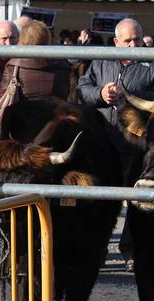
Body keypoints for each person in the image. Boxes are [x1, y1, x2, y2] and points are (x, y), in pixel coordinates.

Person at [77, 18, 154, 272]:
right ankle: (98, 251)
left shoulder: (150, 62)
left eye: (137, 39)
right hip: (104, 143)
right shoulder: (101, 60)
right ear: (115, 42)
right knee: (100, 200)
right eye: (128, 40)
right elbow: (82, 87)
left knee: (137, 201)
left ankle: (132, 251)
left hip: (140, 146)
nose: (133, 45)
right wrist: (100, 94)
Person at [0, 20, 70, 102]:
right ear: (48, 38)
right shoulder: (63, 66)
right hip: (54, 113)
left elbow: (2, 100)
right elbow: (64, 96)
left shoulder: (13, 66)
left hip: (23, 114)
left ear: (22, 39)